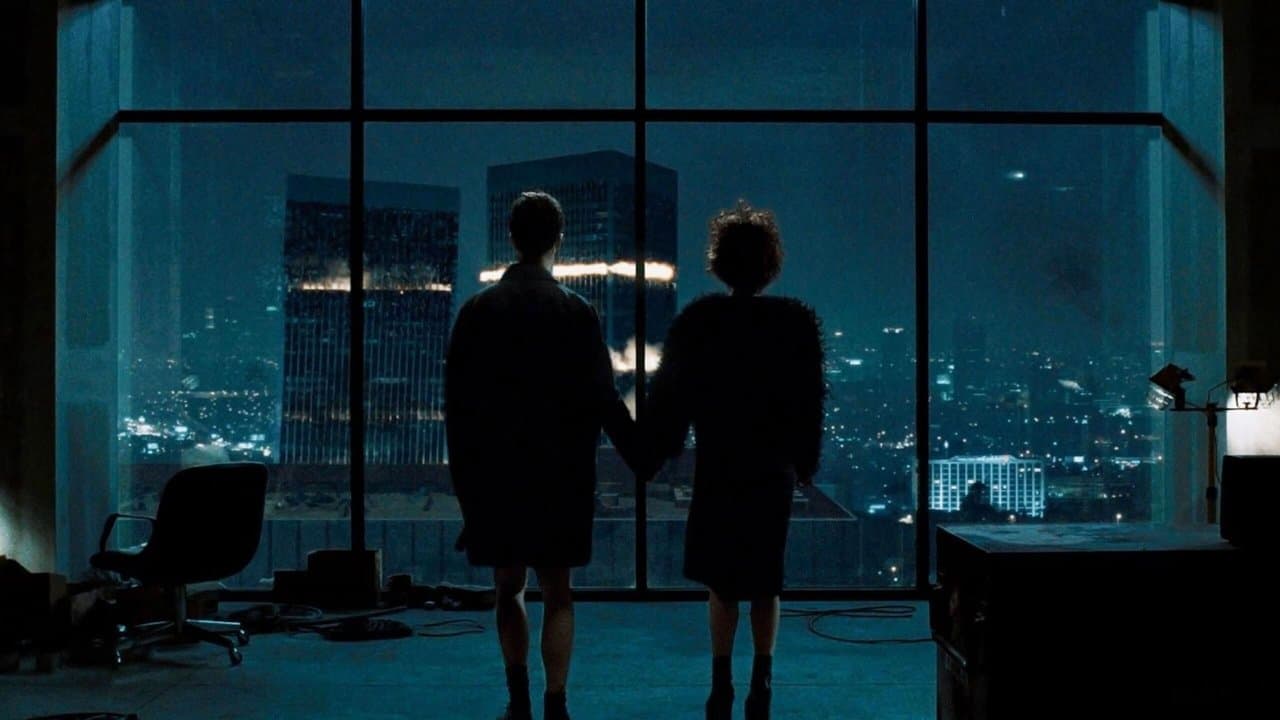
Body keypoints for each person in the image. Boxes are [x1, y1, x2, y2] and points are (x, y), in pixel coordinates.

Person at [445, 191, 640, 720]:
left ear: (511, 237)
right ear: (558, 240)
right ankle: (557, 702)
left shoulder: (477, 312)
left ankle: (519, 701)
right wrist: (642, 454)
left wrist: (468, 493)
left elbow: (459, 413)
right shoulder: (576, 312)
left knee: (508, 590)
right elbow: (603, 399)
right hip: (562, 476)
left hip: (497, 477)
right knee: (559, 594)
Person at [646, 200, 826, 720]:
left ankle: (720, 683)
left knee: (722, 583)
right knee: (766, 580)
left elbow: (671, 400)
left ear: (719, 262)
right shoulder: (794, 324)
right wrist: (805, 461)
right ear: (771, 263)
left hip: (719, 465)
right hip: (771, 469)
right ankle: (761, 682)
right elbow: (809, 402)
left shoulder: (700, 322)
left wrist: (656, 449)